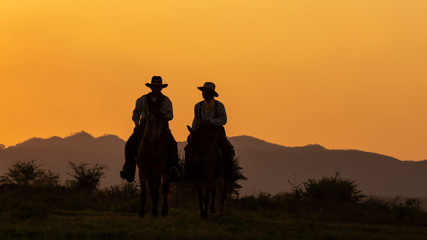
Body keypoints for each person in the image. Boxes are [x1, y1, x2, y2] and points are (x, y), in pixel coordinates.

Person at [120, 76, 180, 182]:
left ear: (161, 88)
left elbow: (171, 115)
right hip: (144, 125)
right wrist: (136, 124)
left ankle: (174, 168)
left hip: (161, 126)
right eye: (154, 86)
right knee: (129, 144)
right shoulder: (142, 99)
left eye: (158, 87)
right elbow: (136, 112)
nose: (156, 89)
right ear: (151, 87)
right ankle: (128, 167)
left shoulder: (166, 101)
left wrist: (162, 115)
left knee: (172, 144)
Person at [186, 82, 236, 181]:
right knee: (188, 147)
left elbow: (223, 120)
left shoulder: (219, 105)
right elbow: (196, 120)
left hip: (216, 131)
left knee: (227, 147)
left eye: (206, 91)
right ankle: (187, 171)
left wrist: (211, 122)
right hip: (201, 131)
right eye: (203, 91)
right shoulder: (198, 106)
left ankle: (230, 172)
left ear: (211, 93)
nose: (203, 93)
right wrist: (193, 131)